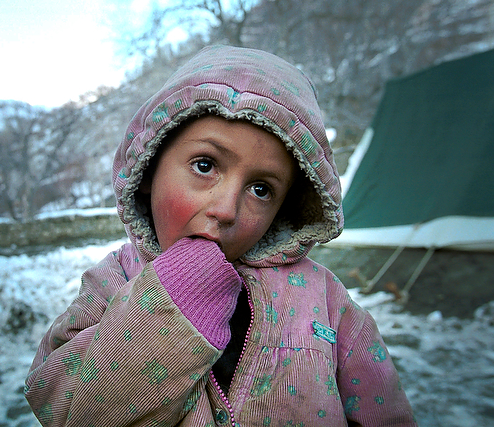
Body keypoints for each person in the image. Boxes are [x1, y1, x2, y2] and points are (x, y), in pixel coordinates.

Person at [24, 45, 416, 426]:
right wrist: (168, 306)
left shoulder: (327, 303)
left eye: (261, 189)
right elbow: (63, 407)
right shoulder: (111, 283)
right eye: (205, 165)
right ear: (149, 167)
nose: (226, 209)